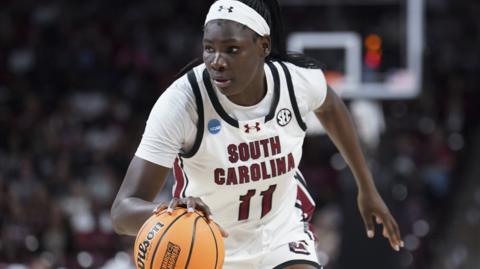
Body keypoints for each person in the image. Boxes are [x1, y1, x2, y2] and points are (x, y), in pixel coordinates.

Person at [110, 0, 404, 268]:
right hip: (208, 246)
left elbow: (331, 107)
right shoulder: (182, 103)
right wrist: (166, 213)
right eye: (209, 48)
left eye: (231, 49)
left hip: (281, 233)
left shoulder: (296, 82)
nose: (216, 61)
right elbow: (122, 212)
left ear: (263, 46)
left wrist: (366, 186)